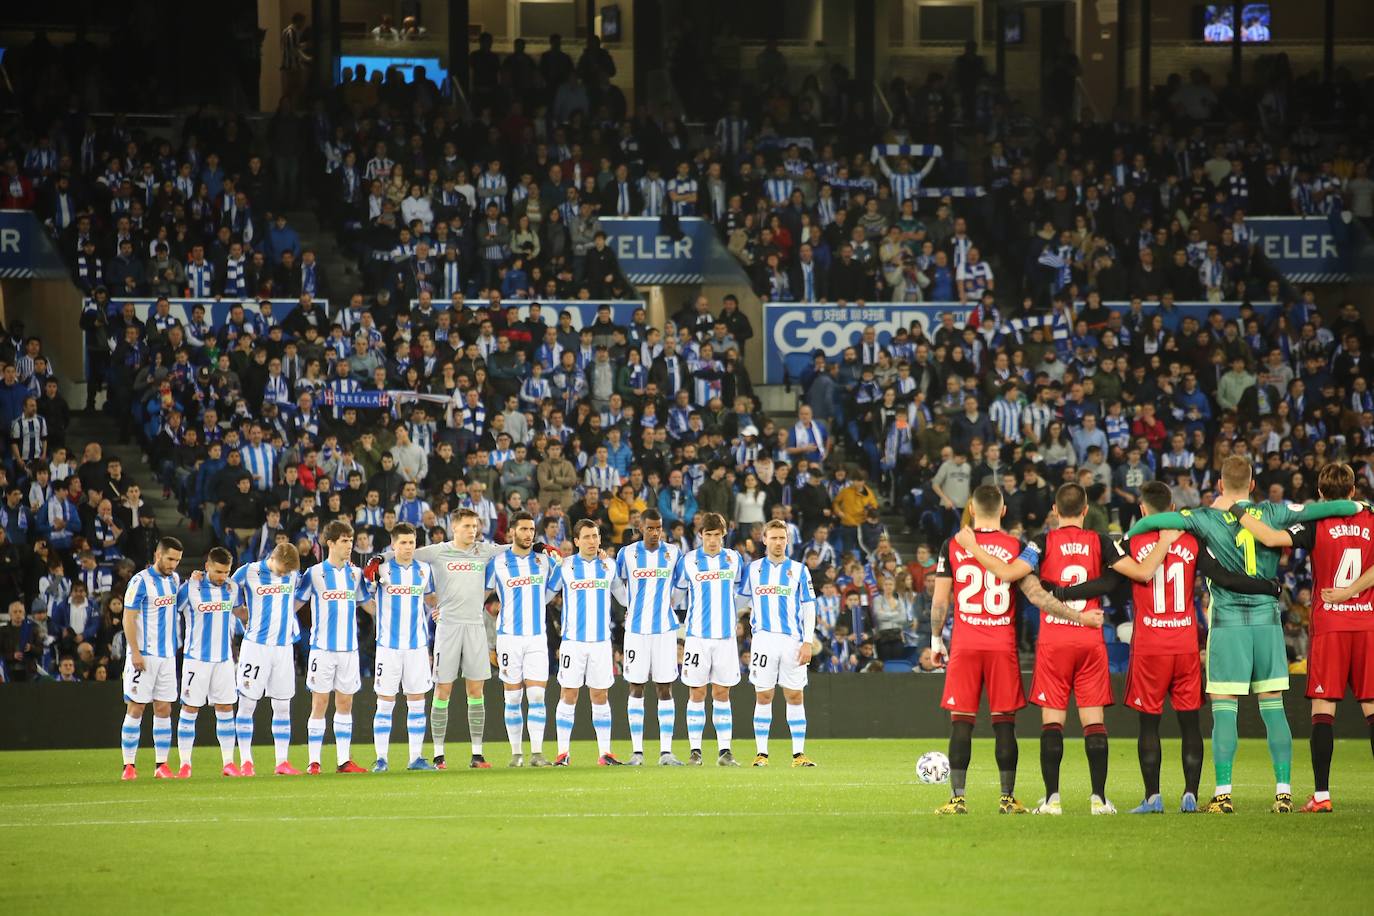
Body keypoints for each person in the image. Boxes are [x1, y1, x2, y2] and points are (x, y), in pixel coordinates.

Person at [1127, 455, 1360, 813]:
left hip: (1228, 623)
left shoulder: (1202, 518)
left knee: (1224, 710)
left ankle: (1223, 795)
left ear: (1220, 485)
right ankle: (1283, 792)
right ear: (1252, 485)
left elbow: (1153, 521)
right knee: (1273, 709)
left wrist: (1144, 530)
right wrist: (1362, 504)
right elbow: (1328, 509)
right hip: (1267, 622)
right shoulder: (1275, 512)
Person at [1050, 480, 1280, 814]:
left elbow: (1107, 582)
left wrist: (1060, 593)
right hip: (1185, 644)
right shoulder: (1190, 540)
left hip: (1150, 646)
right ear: (1172, 509)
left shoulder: (1132, 541)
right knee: (1190, 724)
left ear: (1142, 510)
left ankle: (1153, 797)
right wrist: (1265, 586)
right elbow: (1225, 577)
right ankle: (1189, 795)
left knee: (1149, 725)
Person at [955, 483, 1179, 815]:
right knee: (1094, 722)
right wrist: (1163, 541)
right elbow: (1144, 572)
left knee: (1053, 722)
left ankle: (1052, 800)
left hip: (1055, 639)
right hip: (1089, 638)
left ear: (1055, 512)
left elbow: (1005, 572)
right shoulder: (1102, 541)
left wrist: (973, 545)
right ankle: (1099, 800)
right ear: (1086, 511)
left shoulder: (1040, 543)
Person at [1234, 462, 1374, 813]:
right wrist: (1354, 591)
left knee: (1323, 712)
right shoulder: (1370, 518)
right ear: (1353, 491)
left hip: (1331, 626)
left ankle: (1322, 796)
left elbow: (1269, 538)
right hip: (1368, 624)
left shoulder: (1316, 522)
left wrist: (1239, 512)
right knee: (1372, 709)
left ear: (1322, 495)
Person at [930, 485, 1075, 814]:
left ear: (970, 507)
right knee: (1004, 724)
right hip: (1001, 645)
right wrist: (1078, 616)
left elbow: (940, 601)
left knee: (961, 722)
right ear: (1004, 511)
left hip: (965, 644)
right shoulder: (1017, 547)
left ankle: (957, 799)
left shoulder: (952, 544)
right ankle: (1007, 798)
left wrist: (936, 640)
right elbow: (1036, 595)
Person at [412, 507, 512, 769]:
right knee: (443, 689)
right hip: (448, 628)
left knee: (476, 690)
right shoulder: (438, 551)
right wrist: (380, 557)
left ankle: (477, 754)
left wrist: (539, 546)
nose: (472, 530)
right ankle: (438, 754)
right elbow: (406, 554)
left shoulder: (483, 550)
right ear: (454, 527)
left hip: (475, 626)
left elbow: (511, 549)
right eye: (467, 526)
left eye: (475, 526)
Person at [294, 519, 375, 774]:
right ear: (330, 543)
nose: (349, 545)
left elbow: (368, 606)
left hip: (349, 650)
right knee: (319, 703)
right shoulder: (315, 573)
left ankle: (343, 761)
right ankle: (314, 761)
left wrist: (391, 601)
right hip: (322, 650)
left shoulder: (355, 574)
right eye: (344, 541)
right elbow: (294, 605)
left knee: (345, 704)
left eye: (351, 541)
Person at [737, 518, 818, 768]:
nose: (778, 542)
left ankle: (798, 755)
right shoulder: (753, 569)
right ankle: (761, 754)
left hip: (792, 641)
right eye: (773, 538)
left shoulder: (799, 570)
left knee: (795, 695)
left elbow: (809, 607)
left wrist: (807, 641)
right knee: (764, 695)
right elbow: (739, 602)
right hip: (763, 641)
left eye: (782, 538)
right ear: (764, 540)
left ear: (787, 540)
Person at [486, 511, 559, 767]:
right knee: (513, 698)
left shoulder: (543, 561)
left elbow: (552, 590)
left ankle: (537, 753)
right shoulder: (497, 563)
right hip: (508, 638)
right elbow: (480, 593)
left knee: (537, 696)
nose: (529, 534)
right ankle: (516, 754)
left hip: (537, 637)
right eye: (524, 529)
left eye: (531, 530)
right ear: (512, 532)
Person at [612, 509, 684, 766]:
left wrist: (668, 607)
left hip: (664, 630)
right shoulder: (627, 554)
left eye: (659, 528)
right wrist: (630, 604)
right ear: (640, 527)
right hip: (636, 631)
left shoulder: (673, 553)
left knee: (665, 687)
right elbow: (616, 583)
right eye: (650, 528)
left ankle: (666, 752)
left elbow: (680, 587)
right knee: (636, 686)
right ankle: (637, 752)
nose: (655, 533)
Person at [672, 511, 745, 766]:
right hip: (697, 638)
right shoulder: (689, 561)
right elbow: (676, 596)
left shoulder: (734, 559)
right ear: (700, 535)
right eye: (708, 535)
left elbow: (741, 592)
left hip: (725, 638)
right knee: (697, 691)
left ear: (723, 535)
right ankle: (695, 751)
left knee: (722, 692)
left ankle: (725, 751)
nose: (712, 540)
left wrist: (734, 616)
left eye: (717, 535)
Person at [368, 522, 438, 772]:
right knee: (385, 702)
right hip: (388, 647)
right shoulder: (381, 570)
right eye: (403, 543)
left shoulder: (424, 570)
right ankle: (381, 758)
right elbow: (366, 594)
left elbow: (430, 598)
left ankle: (416, 757)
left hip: (417, 646)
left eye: (412, 542)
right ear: (393, 544)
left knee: (417, 701)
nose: (408, 547)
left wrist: (439, 609)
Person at [230, 542, 304, 776]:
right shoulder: (248, 571)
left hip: (283, 648)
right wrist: (241, 614)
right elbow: (226, 592)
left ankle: (281, 761)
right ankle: (246, 761)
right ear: (274, 557)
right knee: (248, 703)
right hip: (256, 648)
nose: (284, 574)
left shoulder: (294, 575)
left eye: (288, 572)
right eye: (283, 569)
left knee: (282, 705)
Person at [552, 519, 622, 766]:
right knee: (568, 693)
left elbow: (623, 598)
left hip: (601, 642)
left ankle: (605, 753)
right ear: (576, 541)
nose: (592, 541)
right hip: (573, 643)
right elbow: (547, 594)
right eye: (587, 537)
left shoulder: (608, 566)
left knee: (600, 695)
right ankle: (562, 753)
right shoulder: (565, 567)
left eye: (595, 536)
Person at [118, 536, 183, 780]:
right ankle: (129, 766)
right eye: (169, 559)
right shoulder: (140, 581)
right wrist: (134, 651)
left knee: (164, 708)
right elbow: (128, 617)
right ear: (158, 555)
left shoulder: (174, 580)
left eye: (177, 560)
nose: (173, 564)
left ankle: (161, 765)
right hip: (143, 655)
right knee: (136, 708)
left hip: (166, 657)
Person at [174, 547, 241, 778]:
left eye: (226, 572)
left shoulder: (233, 588)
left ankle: (229, 763)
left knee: (225, 708)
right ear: (207, 566)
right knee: (189, 709)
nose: (223, 576)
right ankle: (185, 764)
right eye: (219, 571)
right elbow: (171, 611)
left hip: (223, 661)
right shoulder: (190, 588)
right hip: (196, 660)